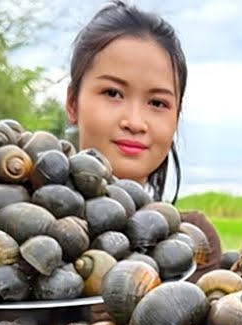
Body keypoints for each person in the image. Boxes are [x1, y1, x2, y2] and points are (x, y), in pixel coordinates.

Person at [65, 0, 222, 276]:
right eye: (113, 93)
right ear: (72, 103)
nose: (135, 122)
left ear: (177, 117)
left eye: (158, 103)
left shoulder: (192, 241)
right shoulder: (24, 223)